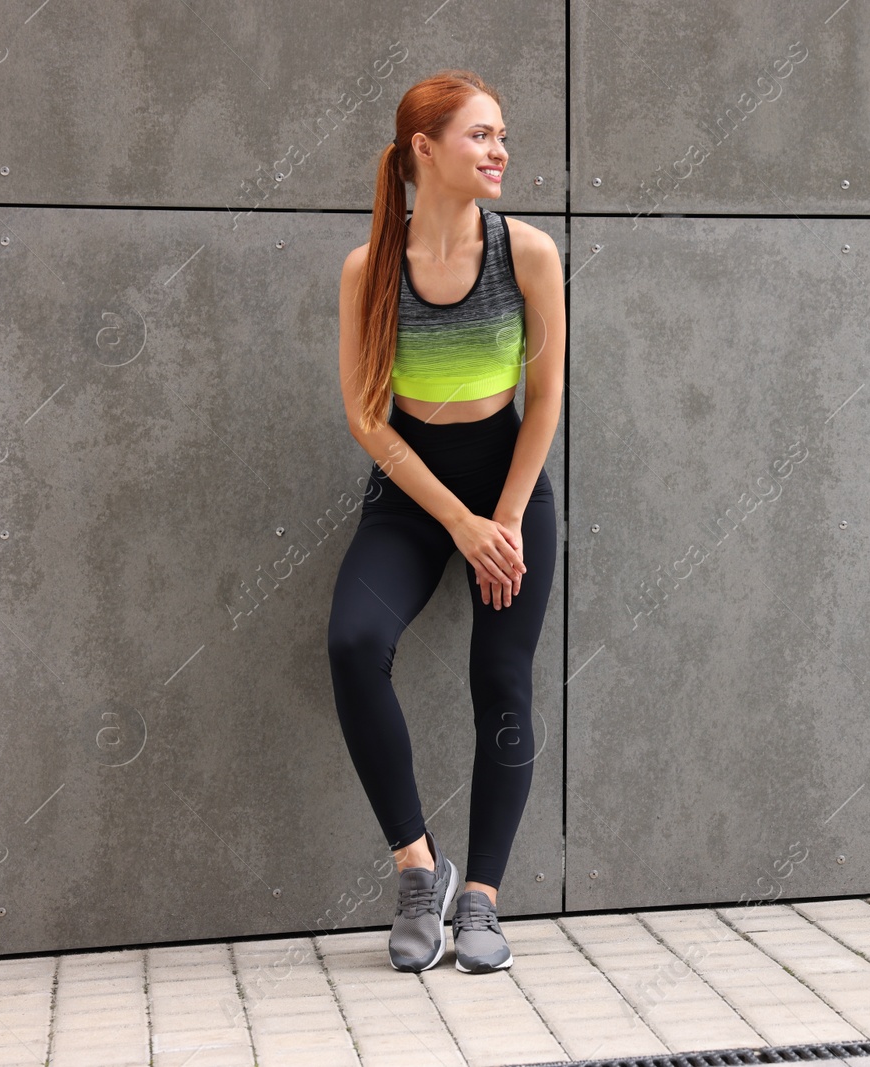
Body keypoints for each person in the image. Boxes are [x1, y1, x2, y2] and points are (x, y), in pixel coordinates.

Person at [325, 70, 563, 974]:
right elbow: (365, 417)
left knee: (502, 680)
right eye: (480, 136)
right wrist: (458, 522)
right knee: (353, 643)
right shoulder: (369, 267)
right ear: (423, 150)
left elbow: (545, 399)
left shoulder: (529, 253)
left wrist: (498, 518)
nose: (500, 151)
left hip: (512, 491)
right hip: (414, 497)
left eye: (503, 135)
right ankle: (419, 871)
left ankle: (484, 901)